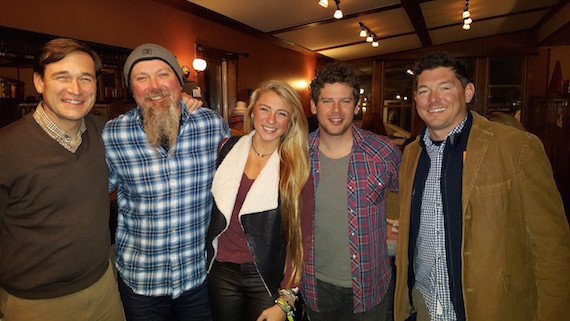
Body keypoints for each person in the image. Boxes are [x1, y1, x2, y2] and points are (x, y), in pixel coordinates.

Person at [394, 52, 570, 321]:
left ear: (467, 92)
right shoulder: (411, 156)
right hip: (425, 308)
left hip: (492, 310)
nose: (433, 99)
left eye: (444, 88)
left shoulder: (517, 148)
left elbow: (552, 247)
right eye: (424, 90)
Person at [103, 43, 231, 321]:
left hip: (198, 277)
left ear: (178, 82)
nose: (154, 86)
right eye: (141, 78)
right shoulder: (113, 134)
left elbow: (235, 186)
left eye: (163, 74)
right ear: (131, 89)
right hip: (141, 282)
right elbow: (94, 193)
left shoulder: (211, 125)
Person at [0, 38, 125, 320]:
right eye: (62, 77)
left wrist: (181, 100)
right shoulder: (6, 149)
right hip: (35, 304)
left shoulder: (108, 133)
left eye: (85, 78)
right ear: (39, 82)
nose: (75, 90)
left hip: (104, 288)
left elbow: (154, 128)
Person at [206, 80, 314, 321]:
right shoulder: (227, 148)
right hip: (221, 270)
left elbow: (302, 238)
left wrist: (286, 299)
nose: (271, 120)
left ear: (290, 121)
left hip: (266, 278)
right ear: (252, 111)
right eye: (265, 109)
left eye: (281, 113)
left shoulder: (297, 167)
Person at [301, 62, 402, 321]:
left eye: (345, 101)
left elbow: (408, 194)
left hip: (371, 286)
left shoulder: (383, 151)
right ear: (314, 106)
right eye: (327, 101)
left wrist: (401, 219)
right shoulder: (295, 154)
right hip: (315, 285)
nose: (336, 110)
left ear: (357, 106)